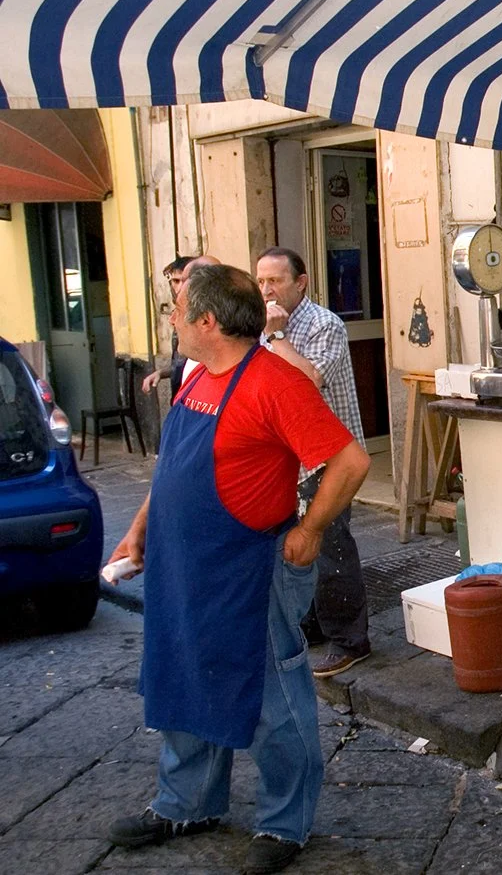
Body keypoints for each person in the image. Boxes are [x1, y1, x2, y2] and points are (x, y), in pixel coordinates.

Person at [105, 264, 370, 874]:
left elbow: (350, 462)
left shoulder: (274, 383)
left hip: (250, 566)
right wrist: (141, 528)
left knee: (274, 696)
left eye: (177, 310)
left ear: (208, 321)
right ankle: (187, 803)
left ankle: (285, 824)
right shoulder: (197, 378)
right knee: (184, 676)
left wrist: (309, 529)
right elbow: (174, 467)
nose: (169, 321)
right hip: (185, 565)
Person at [255, 246, 372, 678]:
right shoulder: (261, 328)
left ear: (300, 283)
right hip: (288, 458)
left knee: (332, 548)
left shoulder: (325, 324)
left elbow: (309, 380)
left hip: (330, 458)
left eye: (276, 281)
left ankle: (350, 640)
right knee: (294, 549)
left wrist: (278, 338)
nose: (267, 290)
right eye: (261, 281)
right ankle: (314, 626)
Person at [141, 255, 195, 399]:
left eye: (183, 281)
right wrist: (161, 373)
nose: (179, 287)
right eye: (175, 281)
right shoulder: (177, 315)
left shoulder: (200, 317)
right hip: (179, 396)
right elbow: (180, 363)